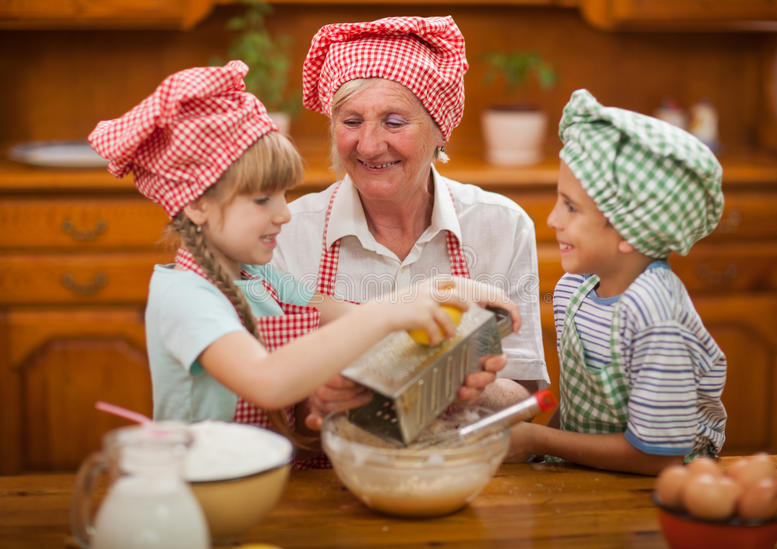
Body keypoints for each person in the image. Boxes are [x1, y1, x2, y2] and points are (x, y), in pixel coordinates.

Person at [88, 60, 521, 466]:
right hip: (201, 486)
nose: (284, 214)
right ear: (198, 205)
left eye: (284, 195)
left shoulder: (259, 278)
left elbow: (353, 316)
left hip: (258, 477)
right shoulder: (185, 296)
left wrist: (444, 295)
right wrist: (394, 313)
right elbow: (267, 381)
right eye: (263, 199)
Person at [273, 16, 549, 427]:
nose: (369, 145)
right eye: (351, 121)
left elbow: (526, 396)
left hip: (459, 458)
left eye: (394, 122)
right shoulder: (288, 232)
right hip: (336, 461)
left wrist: (458, 388)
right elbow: (274, 397)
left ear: (440, 130)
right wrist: (316, 401)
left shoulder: (501, 226)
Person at [505, 89, 727, 476]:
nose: (553, 219)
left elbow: (659, 458)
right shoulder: (573, 290)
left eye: (570, 206)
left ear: (630, 230)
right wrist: (539, 449)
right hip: (589, 475)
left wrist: (539, 440)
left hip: (654, 488)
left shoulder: (655, 315)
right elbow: (578, 407)